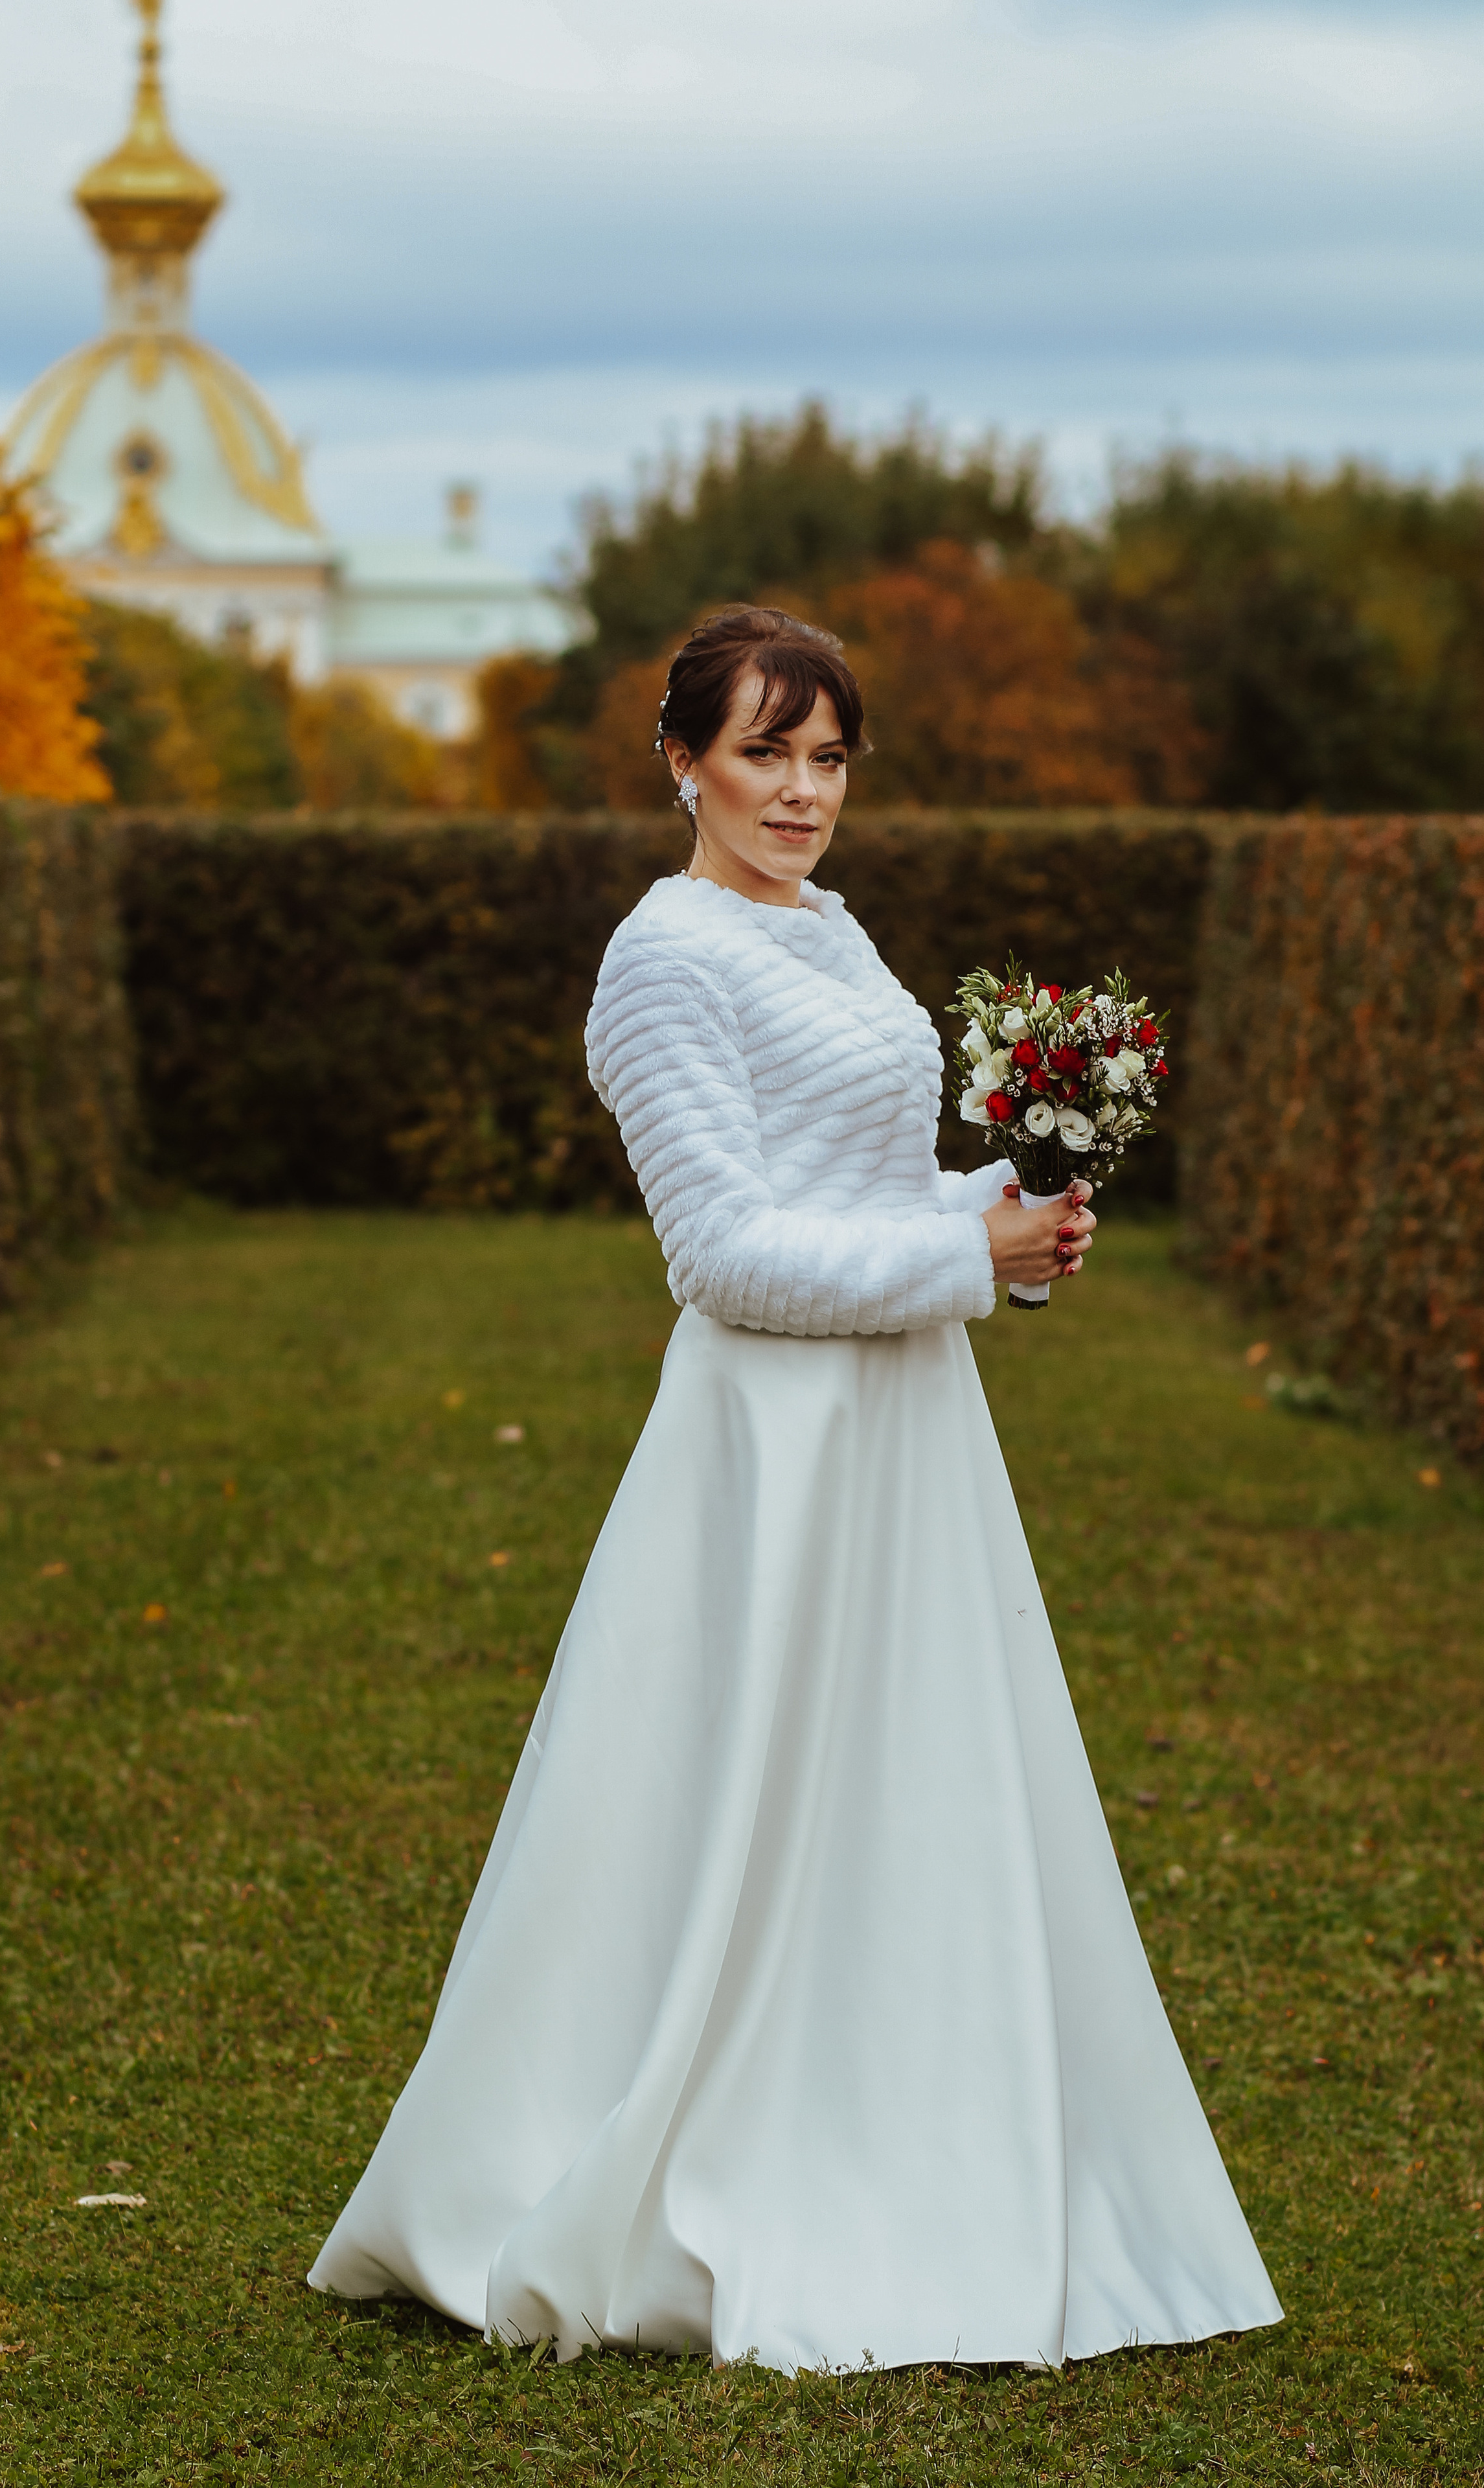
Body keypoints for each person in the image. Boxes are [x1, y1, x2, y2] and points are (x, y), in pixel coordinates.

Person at [309, 606, 1281, 2373]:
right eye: (766, 752)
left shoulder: (832, 930)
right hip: (771, 1444)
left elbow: (857, 1176)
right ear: (683, 759)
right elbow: (726, 1250)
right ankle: (664, 2151)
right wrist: (964, 1254)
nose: (802, 791)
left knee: (911, 1786)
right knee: (731, 1803)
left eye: (829, 758)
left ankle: (920, 2129)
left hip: (906, 1427)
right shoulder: (661, 958)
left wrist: (1008, 1206)